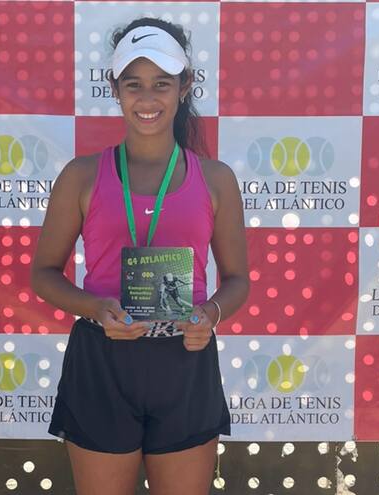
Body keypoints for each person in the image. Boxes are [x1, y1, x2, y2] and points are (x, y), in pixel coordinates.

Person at [30, 16, 248, 495]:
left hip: (185, 360)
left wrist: (209, 314)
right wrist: (95, 307)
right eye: (134, 85)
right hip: (102, 359)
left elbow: (237, 280)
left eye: (161, 84)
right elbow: (44, 274)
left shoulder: (216, 179)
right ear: (114, 88)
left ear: (185, 86)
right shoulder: (82, 176)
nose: (147, 100)